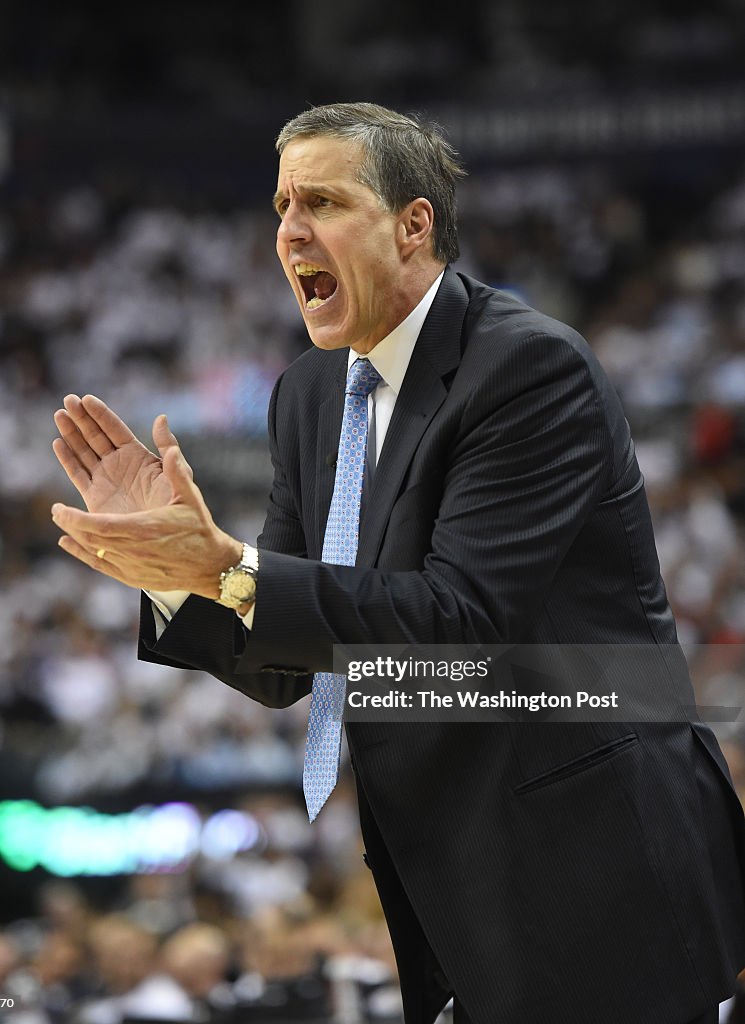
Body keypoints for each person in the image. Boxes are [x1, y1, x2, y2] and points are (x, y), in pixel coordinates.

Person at [51, 102, 745, 1024]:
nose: (289, 230)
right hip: (444, 879)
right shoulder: (305, 395)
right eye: (279, 206)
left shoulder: (527, 369)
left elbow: (459, 623)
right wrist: (174, 571)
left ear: (413, 223)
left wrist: (229, 566)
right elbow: (286, 664)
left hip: (595, 858)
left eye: (323, 202)